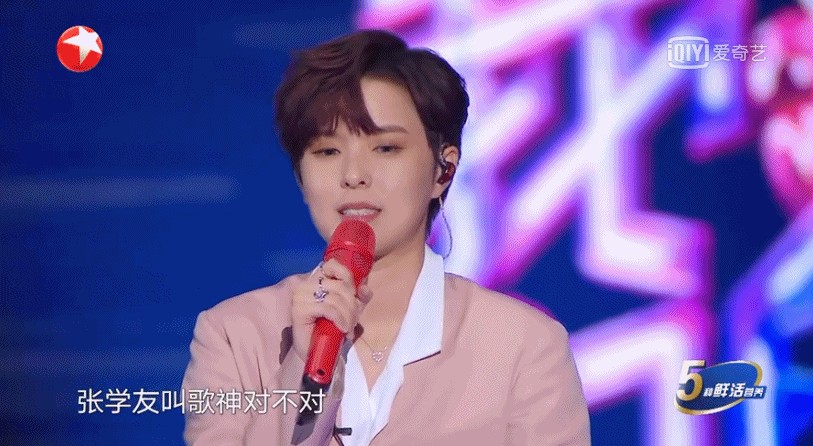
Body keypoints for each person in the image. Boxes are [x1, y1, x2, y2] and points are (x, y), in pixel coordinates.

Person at [181, 29, 590, 446]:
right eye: (327, 151)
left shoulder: (525, 345)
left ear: (443, 170)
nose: (353, 175)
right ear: (301, 177)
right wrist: (303, 367)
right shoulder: (232, 335)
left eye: (386, 148)